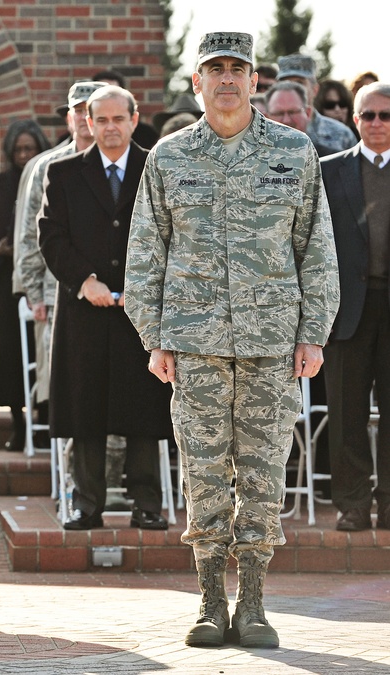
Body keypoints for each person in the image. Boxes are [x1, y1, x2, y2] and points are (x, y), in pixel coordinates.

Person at [125, 32, 339, 649]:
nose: (225, 79)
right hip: (194, 344)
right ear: (196, 83)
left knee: (266, 472)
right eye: (213, 69)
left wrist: (313, 332)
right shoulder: (169, 158)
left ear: (255, 82)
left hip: (273, 343)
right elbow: (145, 257)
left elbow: (316, 250)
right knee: (204, 473)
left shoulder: (295, 153)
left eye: (236, 69)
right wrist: (154, 337)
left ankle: (255, 601)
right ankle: (210, 601)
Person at [38, 85, 172, 531]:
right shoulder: (63, 174)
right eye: (102, 120)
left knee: (144, 408)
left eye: (120, 119)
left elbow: (173, 233)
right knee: (86, 409)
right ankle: (86, 504)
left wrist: (142, 285)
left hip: (142, 312)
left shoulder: (158, 168)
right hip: (85, 311)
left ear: (135, 119)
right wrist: (85, 281)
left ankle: (147, 504)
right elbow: (51, 236)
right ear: (88, 123)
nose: (111, 127)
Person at [13, 81, 106, 446]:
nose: (85, 117)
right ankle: (71, 479)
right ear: (69, 118)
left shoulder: (125, 164)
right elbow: (29, 237)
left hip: (112, 295)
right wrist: (34, 295)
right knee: (65, 387)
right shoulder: (48, 167)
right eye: (78, 110)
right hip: (56, 298)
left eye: (91, 109)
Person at [320, 82, 390, 532]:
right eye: (369, 116)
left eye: (386, 116)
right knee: (346, 411)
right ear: (354, 119)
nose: (378, 124)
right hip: (346, 309)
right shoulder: (328, 171)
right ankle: (353, 504)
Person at [0, 120, 48, 452]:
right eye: (19, 149)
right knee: (10, 355)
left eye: (30, 149)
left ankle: (44, 421)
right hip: (7, 281)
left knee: (42, 352)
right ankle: (18, 424)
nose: (24, 155)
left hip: (40, 277)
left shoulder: (49, 177)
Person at [276, 53, 357, 152]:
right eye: (286, 83)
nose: (292, 89)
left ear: (314, 89)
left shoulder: (342, 135)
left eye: (299, 83)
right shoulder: (266, 131)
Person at [90, 70, 159, 149]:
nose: (110, 128)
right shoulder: (83, 131)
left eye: (113, 94)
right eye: (102, 120)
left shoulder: (147, 135)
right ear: (90, 123)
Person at [266, 81, 337, 156]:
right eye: (279, 113)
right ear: (266, 117)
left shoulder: (332, 160)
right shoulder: (255, 161)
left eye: (292, 112)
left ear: (308, 113)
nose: (286, 120)